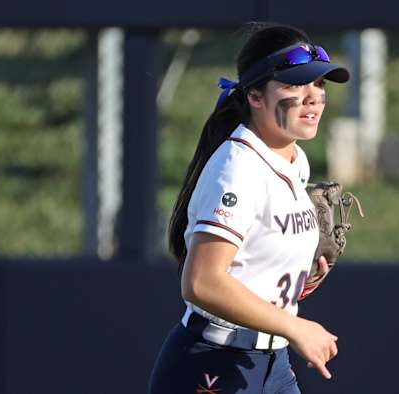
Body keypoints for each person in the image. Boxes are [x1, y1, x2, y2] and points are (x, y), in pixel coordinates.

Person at [148, 22, 350, 394]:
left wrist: (290, 282)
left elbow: (248, 265)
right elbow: (201, 282)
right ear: (255, 96)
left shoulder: (295, 160)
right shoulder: (238, 168)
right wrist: (295, 325)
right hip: (212, 365)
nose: (313, 97)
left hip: (272, 365)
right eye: (294, 84)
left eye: (318, 84)